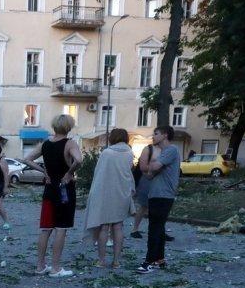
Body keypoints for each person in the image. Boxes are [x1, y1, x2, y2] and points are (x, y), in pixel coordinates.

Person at [20, 114, 82, 278]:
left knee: (45, 229)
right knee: (61, 229)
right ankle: (55, 268)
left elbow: (26, 159)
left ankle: (40, 266)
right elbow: (79, 160)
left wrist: (44, 171)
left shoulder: (45, 145)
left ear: (54, 126)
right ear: (69, 127)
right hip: (65, 191)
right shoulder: (70, 143)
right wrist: (69, 173)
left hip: (49, 189)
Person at [82, 128, 134, 269]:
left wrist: (94, 193)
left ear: (112, 138)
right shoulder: (129, 152)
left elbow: (99, 174)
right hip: (122, 193)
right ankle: (116, 261)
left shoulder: (107, 153)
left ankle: (101, 260)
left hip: (106, 193)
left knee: (103, 227)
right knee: (118, 227)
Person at [137, 125, 180, 273]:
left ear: (165, 135)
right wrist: (152, 167)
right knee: (159, 228)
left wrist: (152, 165)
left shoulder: (171, 150)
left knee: (154, 229)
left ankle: (148, 262)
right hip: (156, 194)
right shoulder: (163, 152)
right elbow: (149, 173)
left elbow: (152, 167)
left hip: (163, 195)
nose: (153, 136)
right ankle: (159, 260)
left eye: (156, 134)